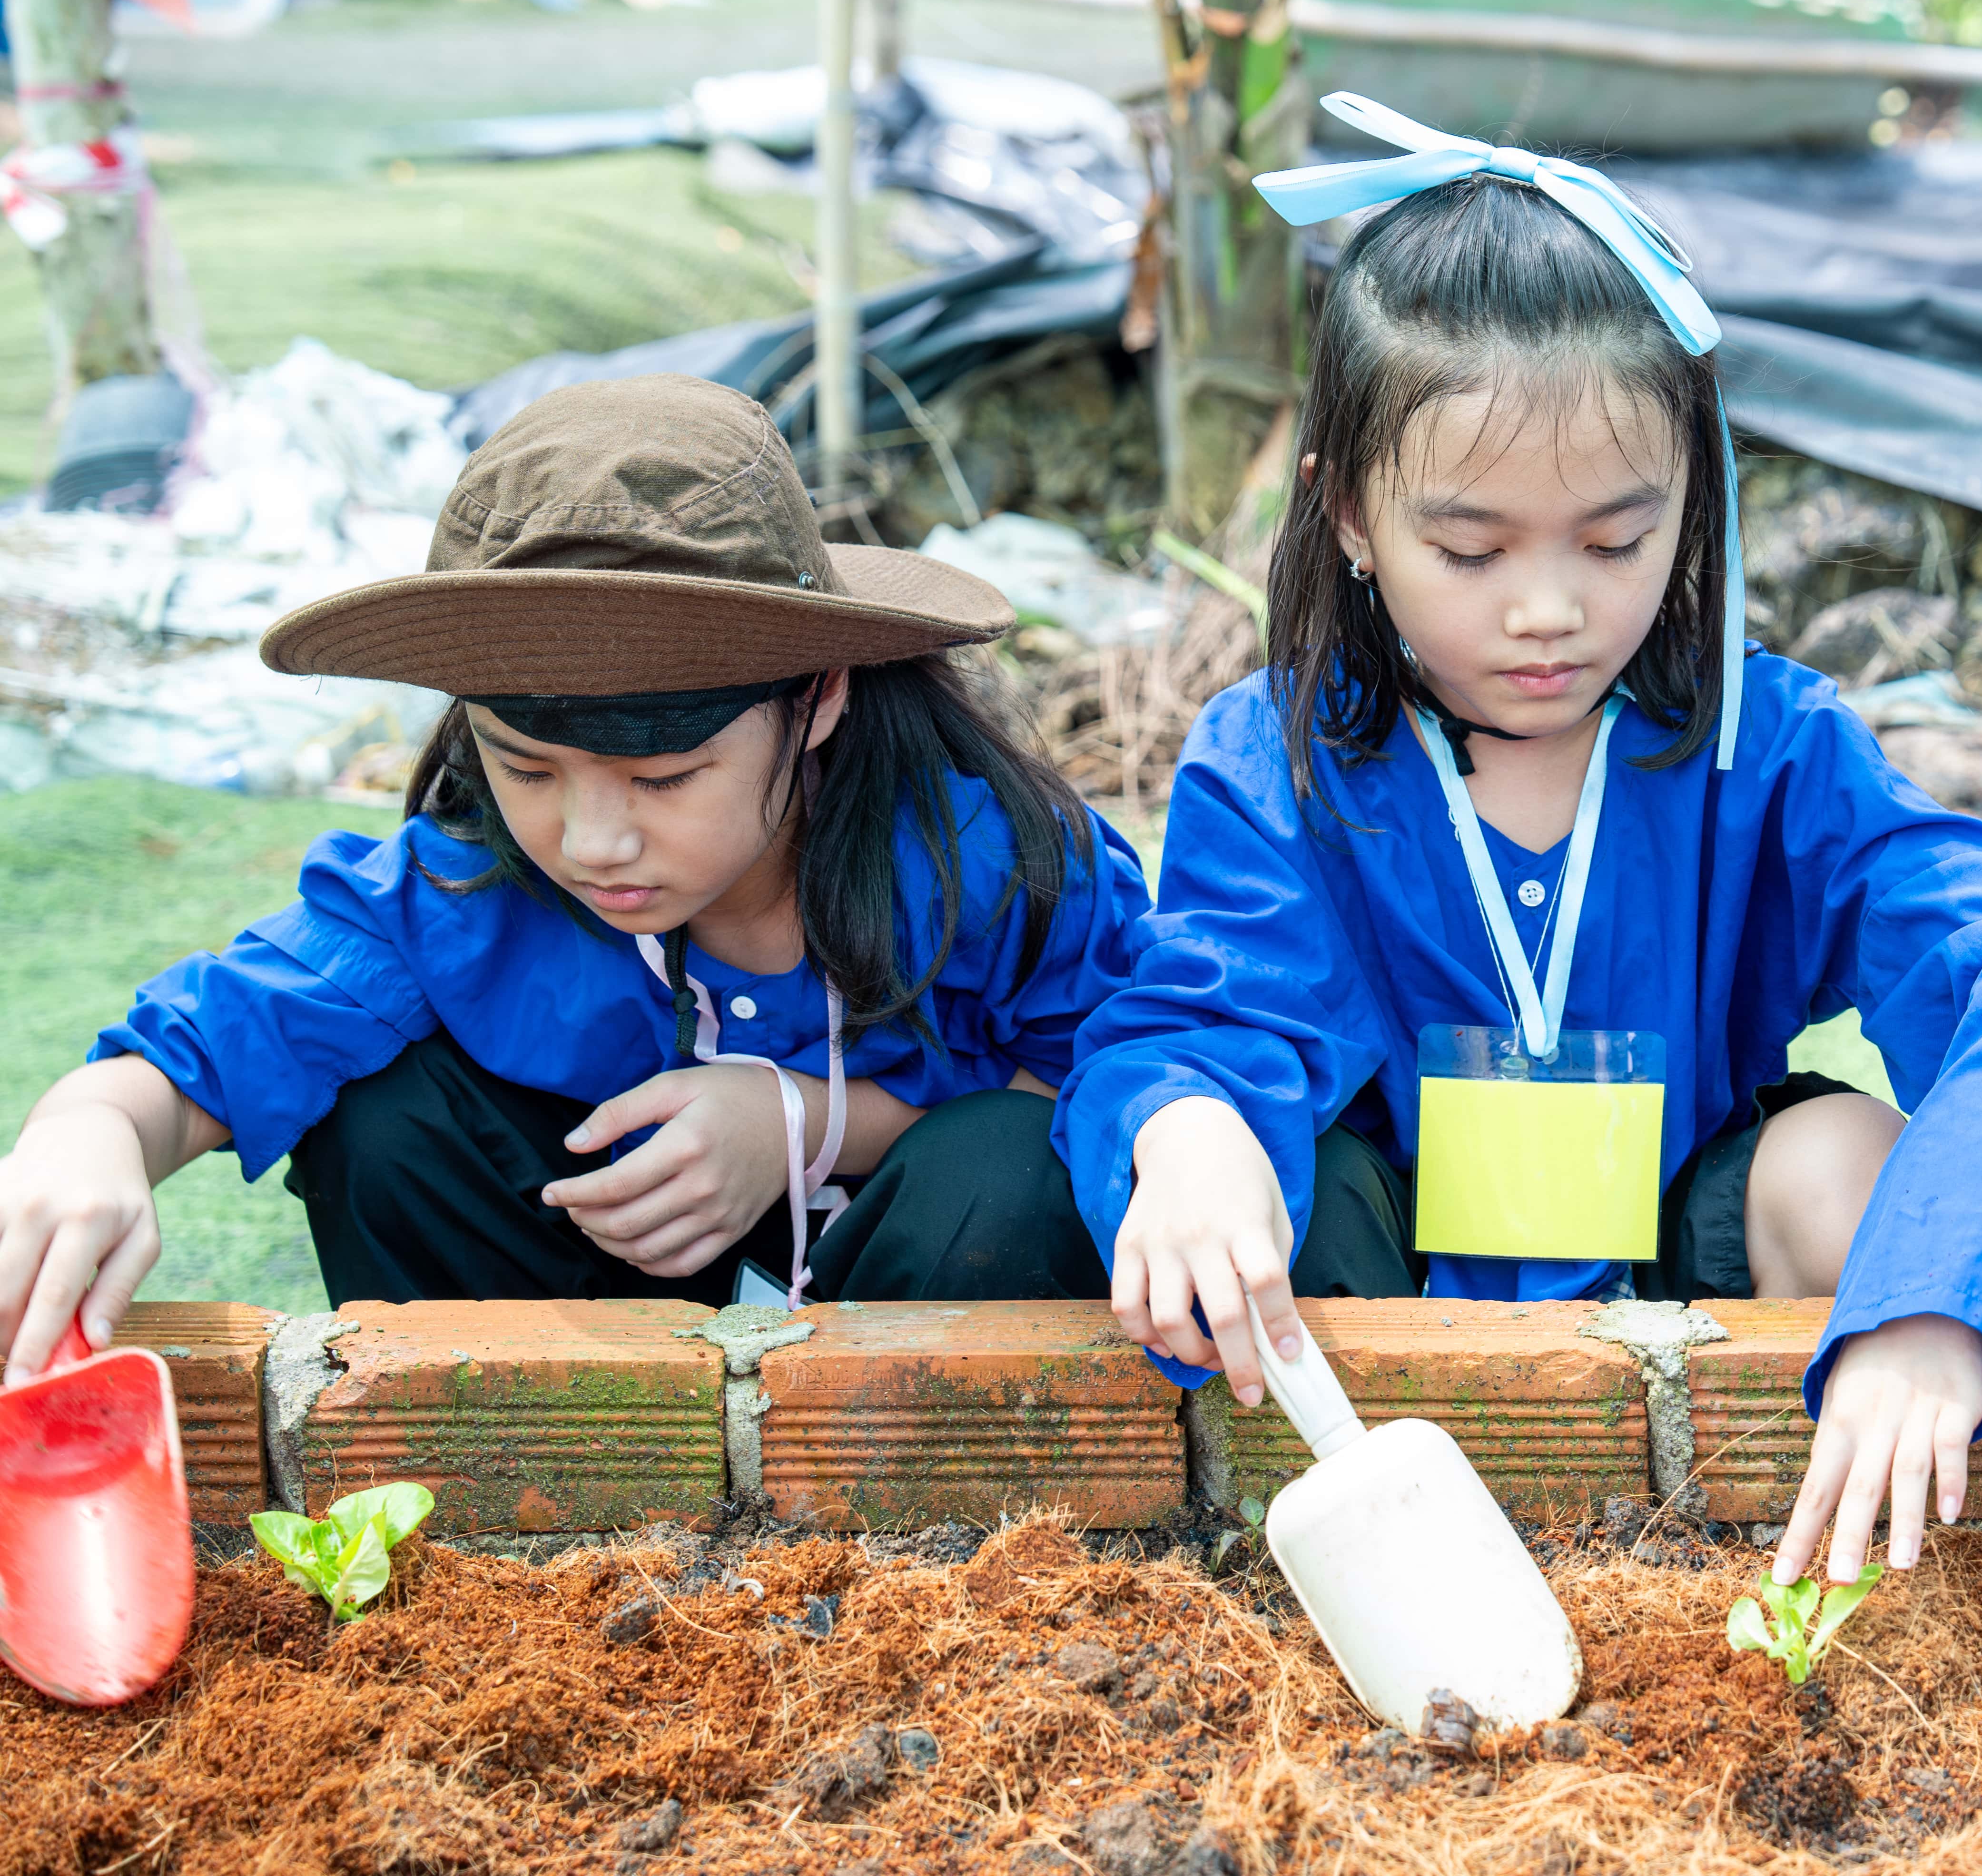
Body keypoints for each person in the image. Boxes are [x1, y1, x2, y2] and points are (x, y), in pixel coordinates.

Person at [1060, 96, 1982, 1586]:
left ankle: (1816, 1533)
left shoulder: (1770, 746)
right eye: (1473, 550)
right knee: (1245, 1171)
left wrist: (1934, 1290)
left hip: (1692, 1262)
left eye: (1618, 542)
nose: (1550, 609)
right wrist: (1178, 1129)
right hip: (1380, 1319)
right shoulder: (1281, 760)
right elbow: (1195, 1018)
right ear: (1352, 515)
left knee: (1848, 1165)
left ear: (1696, 507)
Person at [0, 377, 1141, 1382]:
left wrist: (810, 1121)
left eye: (664, 775)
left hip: (923, 1389)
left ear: (822, 697)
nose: (592, 840)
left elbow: (1141, 1077)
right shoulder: (465, 890)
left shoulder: (996, 869)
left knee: (1008, 1169)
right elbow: (198, 1051)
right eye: (525, 764)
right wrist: (89, 1133)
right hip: (602, 1349)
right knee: (387, 1116)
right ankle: (509, 1503)